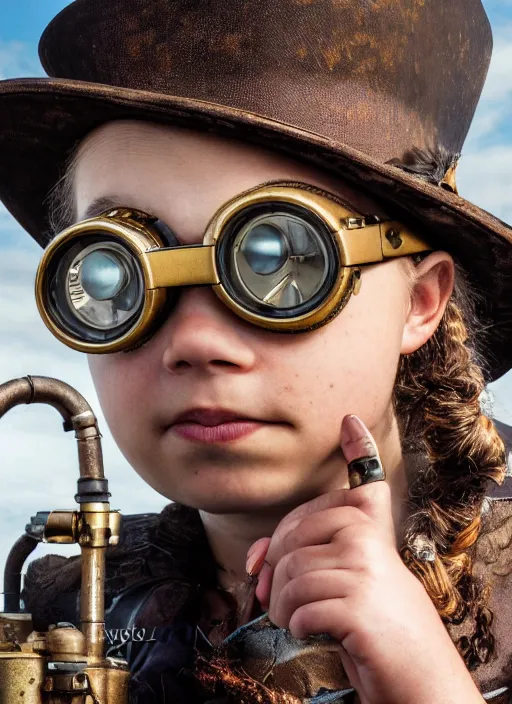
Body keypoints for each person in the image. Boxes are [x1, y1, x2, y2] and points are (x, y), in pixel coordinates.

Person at [1, 0, 512, 702]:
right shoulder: (63, 602)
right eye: (112, 276)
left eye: (282, 262)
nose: (195, 343)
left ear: (420, 303)